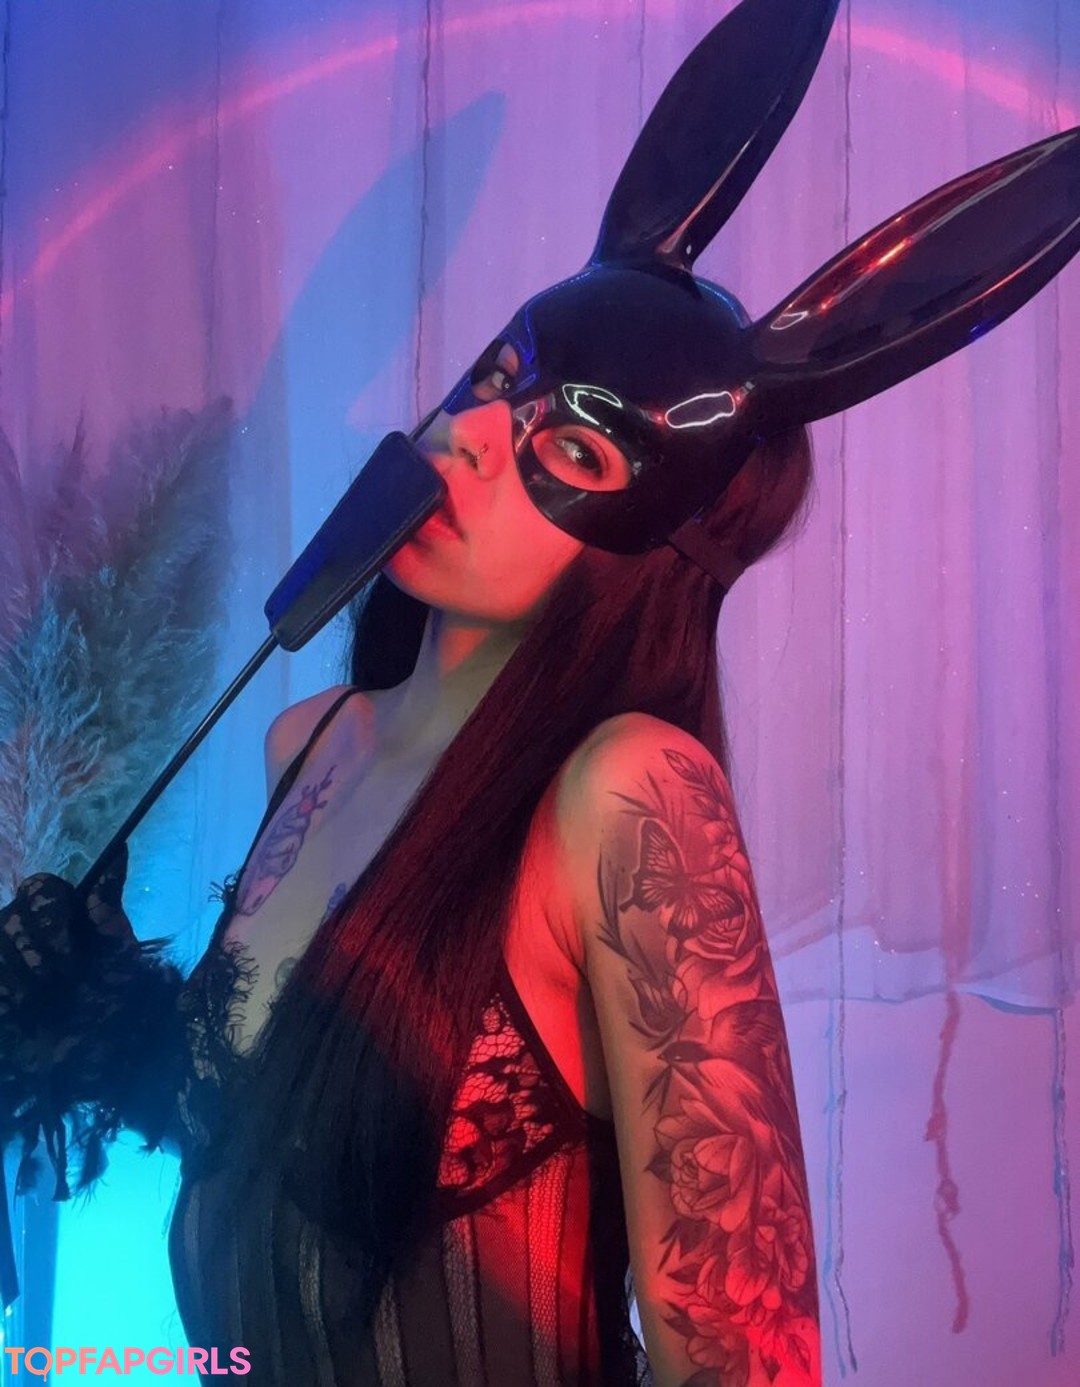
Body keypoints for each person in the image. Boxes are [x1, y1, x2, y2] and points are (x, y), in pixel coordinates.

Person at [3, 0, 1080, 1383]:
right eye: (495, 381)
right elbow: (282, 1130)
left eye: (569, 450)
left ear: (653, 539)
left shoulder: (628, 797)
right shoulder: (307, 742)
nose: (465, 439)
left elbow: (747, 1356)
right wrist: (102, 1020)